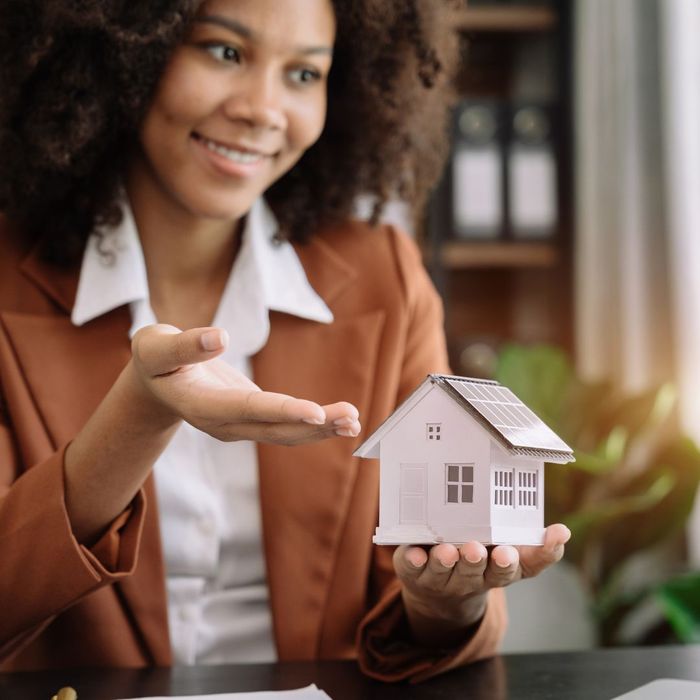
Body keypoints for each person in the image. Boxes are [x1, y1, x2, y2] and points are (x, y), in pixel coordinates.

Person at [0, 0, 571, 682]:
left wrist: (440, 602)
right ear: (122, 51)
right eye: (226, 52)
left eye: (304, 73)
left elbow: (432, 587)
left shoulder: (382, 279)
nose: (263, 109)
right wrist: (138, 415)